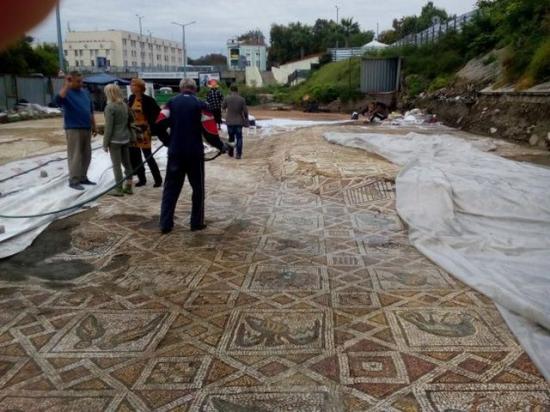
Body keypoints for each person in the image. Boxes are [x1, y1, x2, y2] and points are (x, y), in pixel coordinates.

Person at [157, 79, 227, 234]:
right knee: (198, 189)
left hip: (175, 153)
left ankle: (165, 223)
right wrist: (221, 146)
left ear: (181, 89)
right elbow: (209, 132)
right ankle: (196, 222)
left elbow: (159, 124)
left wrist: (168, 141)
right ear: (194, 89)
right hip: (194, 153)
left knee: (170, 188)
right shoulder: (201, 104)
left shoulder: (171, 103)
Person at [54, 71, 97, 190]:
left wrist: (94, 125)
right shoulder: (67, 93)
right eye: (78, 81)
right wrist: (66, 85)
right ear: (70, 80)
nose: (81, 83)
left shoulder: (85, 93)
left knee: (86, 155)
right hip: (73, 128)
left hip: (86, 127)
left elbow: (90, 111)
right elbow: (57, 101)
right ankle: (73, 180)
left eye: (81, 81)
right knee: (75, 155)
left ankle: (83, 177)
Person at [128, 78, 163, 188]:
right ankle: (141, 178)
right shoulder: (131, 98)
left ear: (139, 87)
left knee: (148, 155)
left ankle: (158, 179)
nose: (131, 86)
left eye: (133, 85)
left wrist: (151, 126)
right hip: (134, 130)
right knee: (135, 156)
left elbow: (157, 113)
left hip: (144, 131)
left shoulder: (148, 100)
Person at [103, 84, 135, 197]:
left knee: (116, 166)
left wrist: (105, 143)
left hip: (115, 141)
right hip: (126, 138)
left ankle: (119, 189)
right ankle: (129, 187)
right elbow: (130, 122)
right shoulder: (124, 106)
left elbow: (109, 128)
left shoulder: (110, 107)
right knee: (127, 164)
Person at [222, 85, 248, 159]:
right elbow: (245, 111)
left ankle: (230, 152)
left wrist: (224, 114)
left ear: (230, 90)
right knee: (239, 138)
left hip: (229, 121)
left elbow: (223, 107)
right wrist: (246, 118)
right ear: (237, 90)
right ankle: (238, 154)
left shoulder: (227, 98)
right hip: (239, 121)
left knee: (231, 137)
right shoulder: (242, 99)